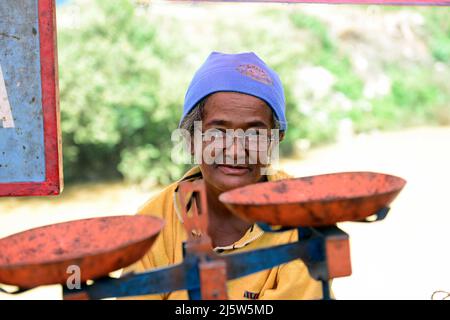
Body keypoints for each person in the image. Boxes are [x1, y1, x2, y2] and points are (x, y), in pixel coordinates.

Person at [121, 51, 324, 300]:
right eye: (218, 132)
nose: (237, 151)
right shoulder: (156, 222)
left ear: (274, 141)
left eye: (255, 134)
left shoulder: (302, 218)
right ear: (192, 140)